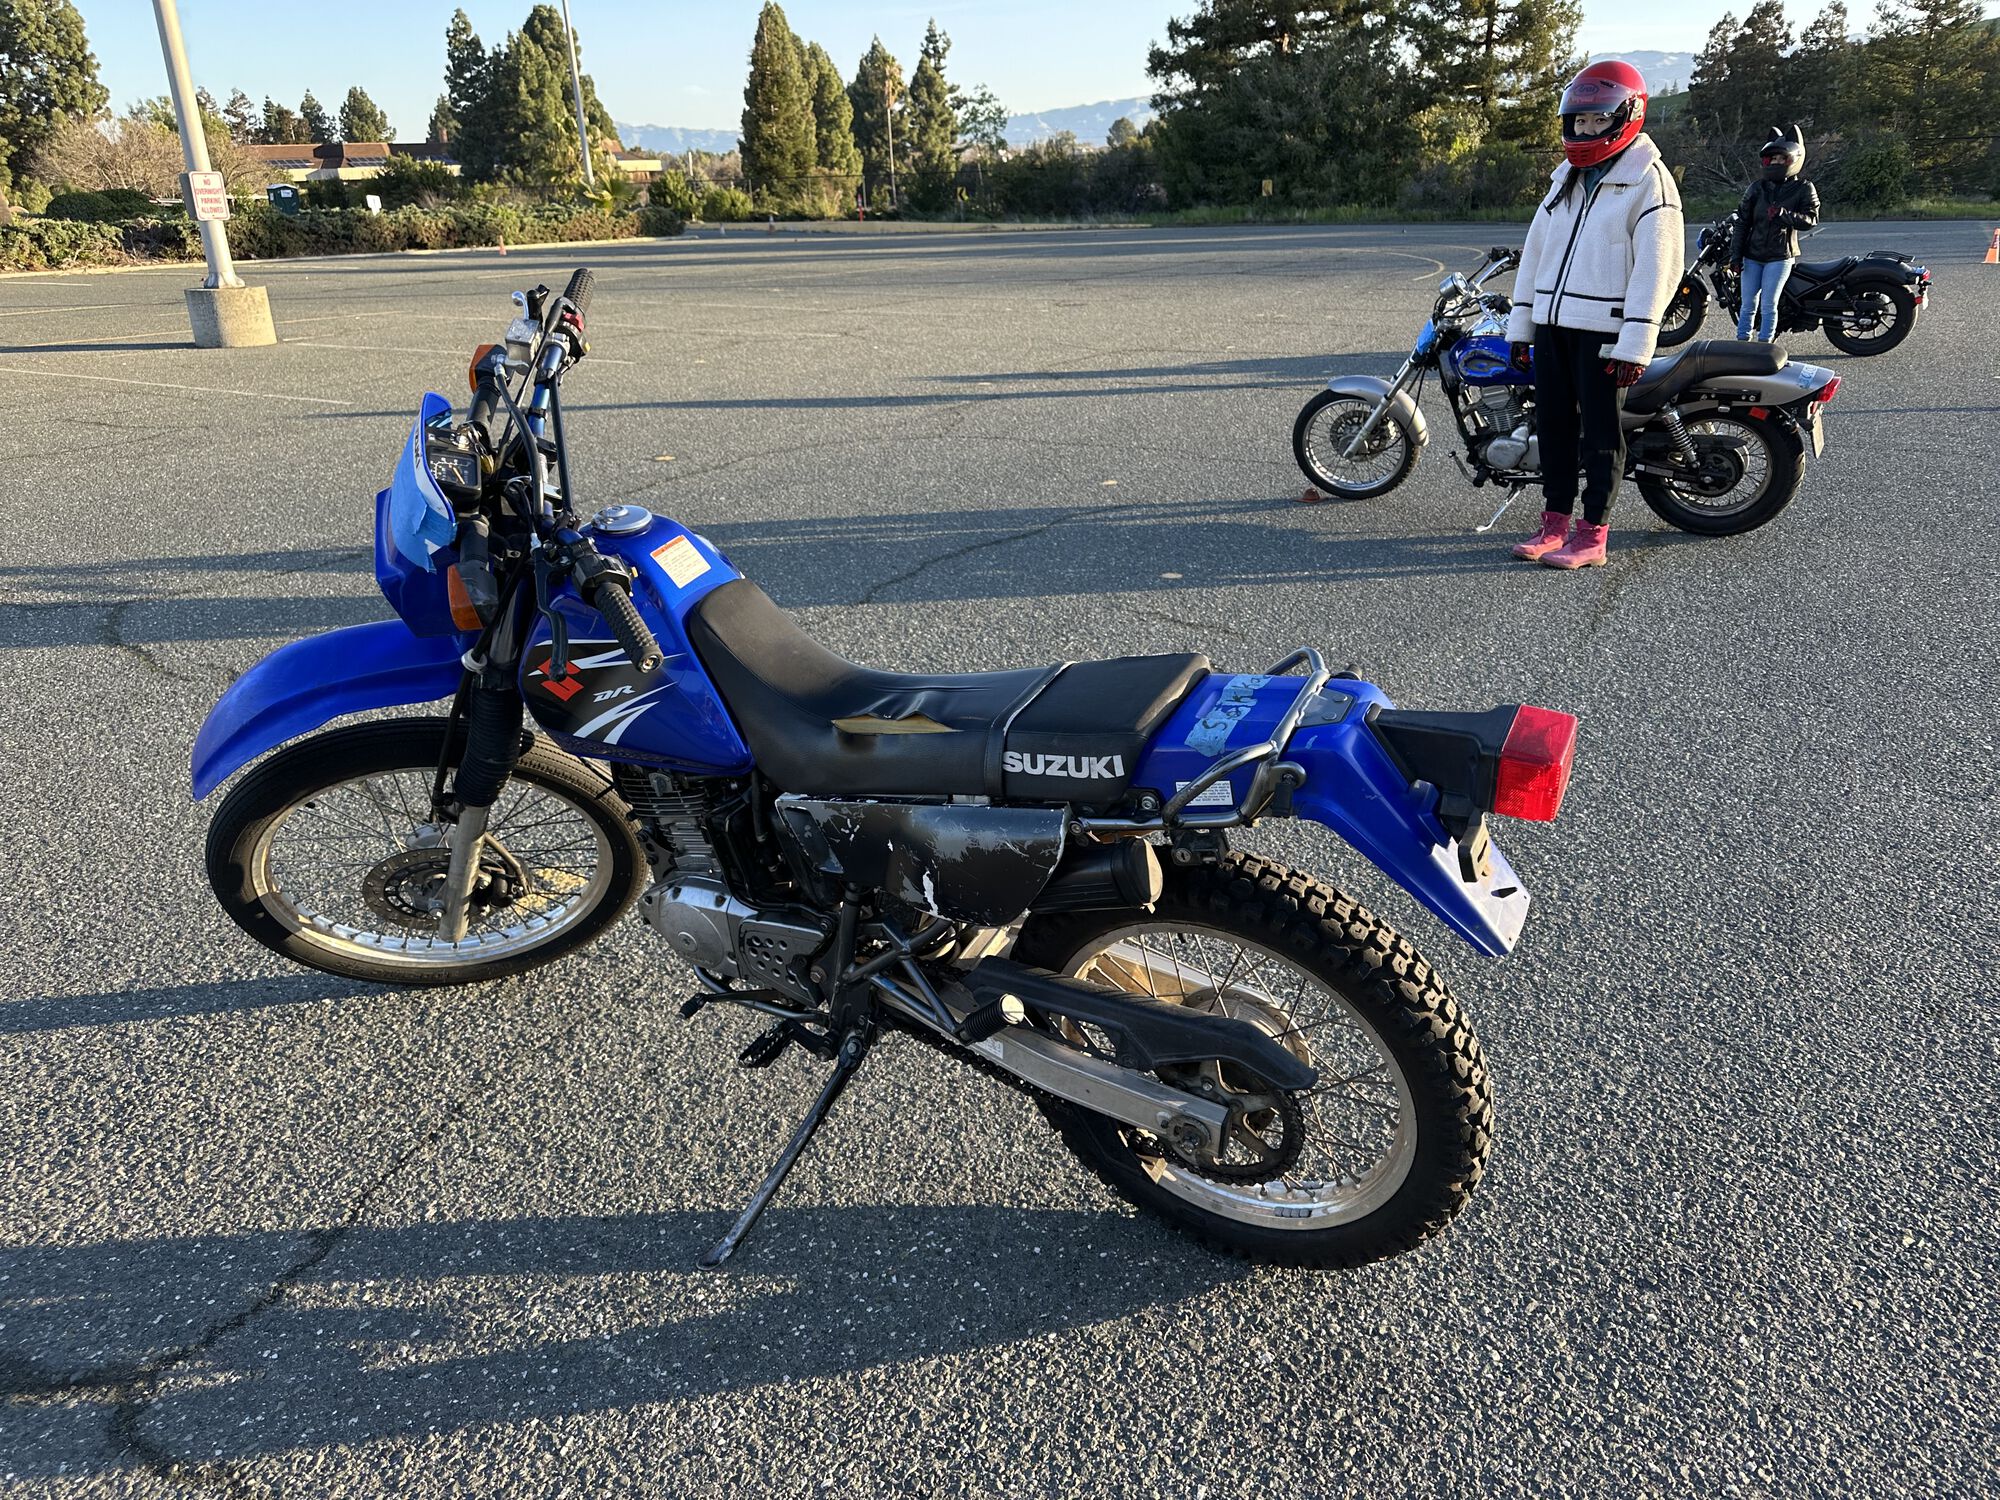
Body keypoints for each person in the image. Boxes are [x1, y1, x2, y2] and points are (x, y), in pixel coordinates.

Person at [1505, 60, 1683, 570]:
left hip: (1605, 333)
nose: (1585, 131)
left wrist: (1636, 343)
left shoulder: (1649, 182)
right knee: (1554, 427)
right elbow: (1534, 254)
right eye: (1578, 121)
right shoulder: (1565, 179)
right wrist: (1523, 327)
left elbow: (1658, 268)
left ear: (1626, 116)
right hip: (1553, 326)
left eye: (1597, 121)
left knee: (1602, 436)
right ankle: (1554, 522)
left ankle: (1593, 534)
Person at [1730, 125, 1819, 342]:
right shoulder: (1756, 188)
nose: (1777, 163)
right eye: (1773, 159)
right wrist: (1735, 256)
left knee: (1769, 303)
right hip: (1753, 256)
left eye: (1782, 158)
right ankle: (1742, 341)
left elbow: (1811, 219)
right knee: (1748, 302)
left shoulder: (1804, 188)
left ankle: (1765, 342)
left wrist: (1784, 215)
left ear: (1793, 159)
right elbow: (1742, 223)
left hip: (1780, 257)